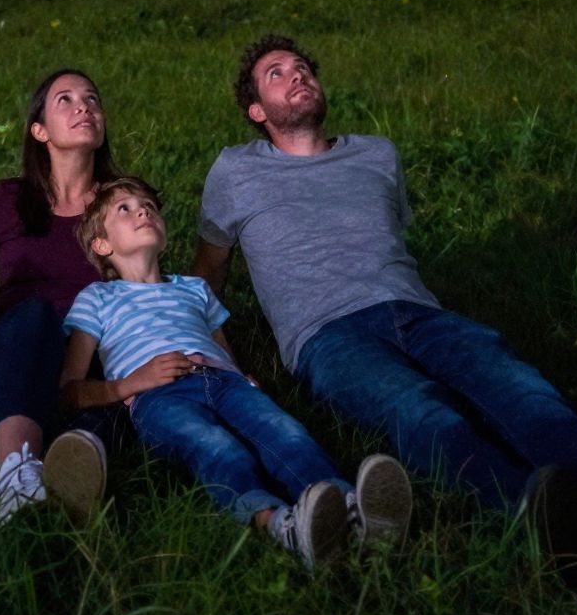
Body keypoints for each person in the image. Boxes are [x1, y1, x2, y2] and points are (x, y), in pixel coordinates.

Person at [192, 36, 577, 568]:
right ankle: (543, 522)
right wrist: (199, 351)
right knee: (422, 417)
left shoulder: (377, 155)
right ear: (257, 109)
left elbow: (391, 247)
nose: (298, 74)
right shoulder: (235, 172)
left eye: (302, 65)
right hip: (326, 335)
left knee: (522, 392)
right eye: (277, 72)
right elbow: (210, 272)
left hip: (419, 312)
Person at [59, 176, 413, 567]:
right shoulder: (98, 298)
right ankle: (280, 524)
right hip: (157, 396)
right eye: (124, 209)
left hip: (226, 383)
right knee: (215, 447)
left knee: (286, 433)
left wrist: (243, 376)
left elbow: (224, 350)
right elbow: (70, 389)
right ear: (102, 246)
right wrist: (132, 383)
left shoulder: (194, 289)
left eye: (149, 206)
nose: (143, 210)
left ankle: (350, 511)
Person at [0, 69, 126, 522]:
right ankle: (15, 475)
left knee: (106, 373)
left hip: (90, 354)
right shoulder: (7, 200)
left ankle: (73, 478)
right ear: (39, 130)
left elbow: (146, 292)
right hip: (16, 347)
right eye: (65, 100)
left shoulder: (122, 205)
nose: (83, 106)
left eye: (92, 99)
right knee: (35, 316)